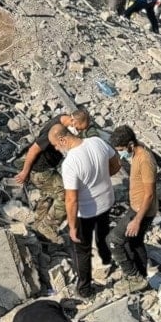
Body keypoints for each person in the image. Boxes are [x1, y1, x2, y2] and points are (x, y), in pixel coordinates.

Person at [54, 126, 121, 299]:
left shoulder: (70, 163)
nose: (56, 148)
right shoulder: (97, 142)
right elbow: (116, 163)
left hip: (86, 212)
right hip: (106, 201)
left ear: (63, 139)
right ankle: (106, 260)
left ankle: (84, 290)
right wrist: (103, 178)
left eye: (55, 145)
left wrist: (72, 226)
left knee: (82, 251)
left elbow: (71, 199)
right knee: (103, 233)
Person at [14, 110, 92, 242]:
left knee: (49, 193)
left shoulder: (62, 121)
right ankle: (48, 226)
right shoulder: (54, 130)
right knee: (65, 194)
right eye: (79, 129)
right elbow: (33, 149)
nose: (78, 132)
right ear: (73, 122)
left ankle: (39, 222)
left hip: (46, 167)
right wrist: (24, 172)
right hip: (41, 169)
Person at [107, 125, 158, 293]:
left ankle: (133, 277)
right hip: (136, 207)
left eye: (121, 149)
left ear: (130, 144)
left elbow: (149, 194)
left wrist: (137, 220)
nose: (120, 153)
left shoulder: (144, 160)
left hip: (141, 210)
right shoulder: (137, 151)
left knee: (114, 240)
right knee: (135, 243)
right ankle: (142, 276)